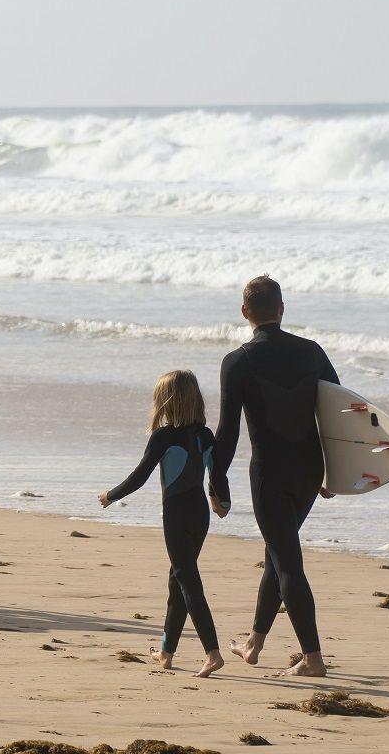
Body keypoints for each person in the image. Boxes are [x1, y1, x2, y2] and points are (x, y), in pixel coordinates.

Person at [209, 275, 338, 677]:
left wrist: (218, 484)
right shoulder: (312, 352)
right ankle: (254, 642)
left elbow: (227, 431)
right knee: (277, 551)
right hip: (310, 469)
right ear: (282, 309)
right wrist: (338, 472)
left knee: (286, 561)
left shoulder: (238, 362)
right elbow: (339, 414)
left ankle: (313, 659)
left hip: (270, 473)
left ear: (245, 312)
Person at [98, 370, 225, 678]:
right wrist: (222, 501)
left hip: (177, 515)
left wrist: (110, 495)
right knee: (178, 580)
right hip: (200, 515)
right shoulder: (205, 435)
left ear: (166, 402)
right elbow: (217, 476)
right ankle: (166, 652)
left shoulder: (164, 437)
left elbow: (139, 476)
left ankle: (213, 652)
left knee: (188, 580)